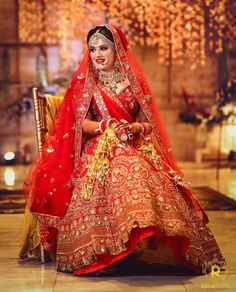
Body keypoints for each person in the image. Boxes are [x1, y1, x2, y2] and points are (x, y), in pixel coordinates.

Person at [21, 24, 226, 276]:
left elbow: (148, 121)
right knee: (120, 166)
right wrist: (106, 126)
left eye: (104, 48)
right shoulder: (85, 84)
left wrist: (136, 128)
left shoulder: (134, 83)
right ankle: (110, 249)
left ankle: (144, 244)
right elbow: (80, 124)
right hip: (100, 146)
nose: (98, 54)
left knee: (142, 169)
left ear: (117, 50)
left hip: (133, 142)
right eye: (93, 49)